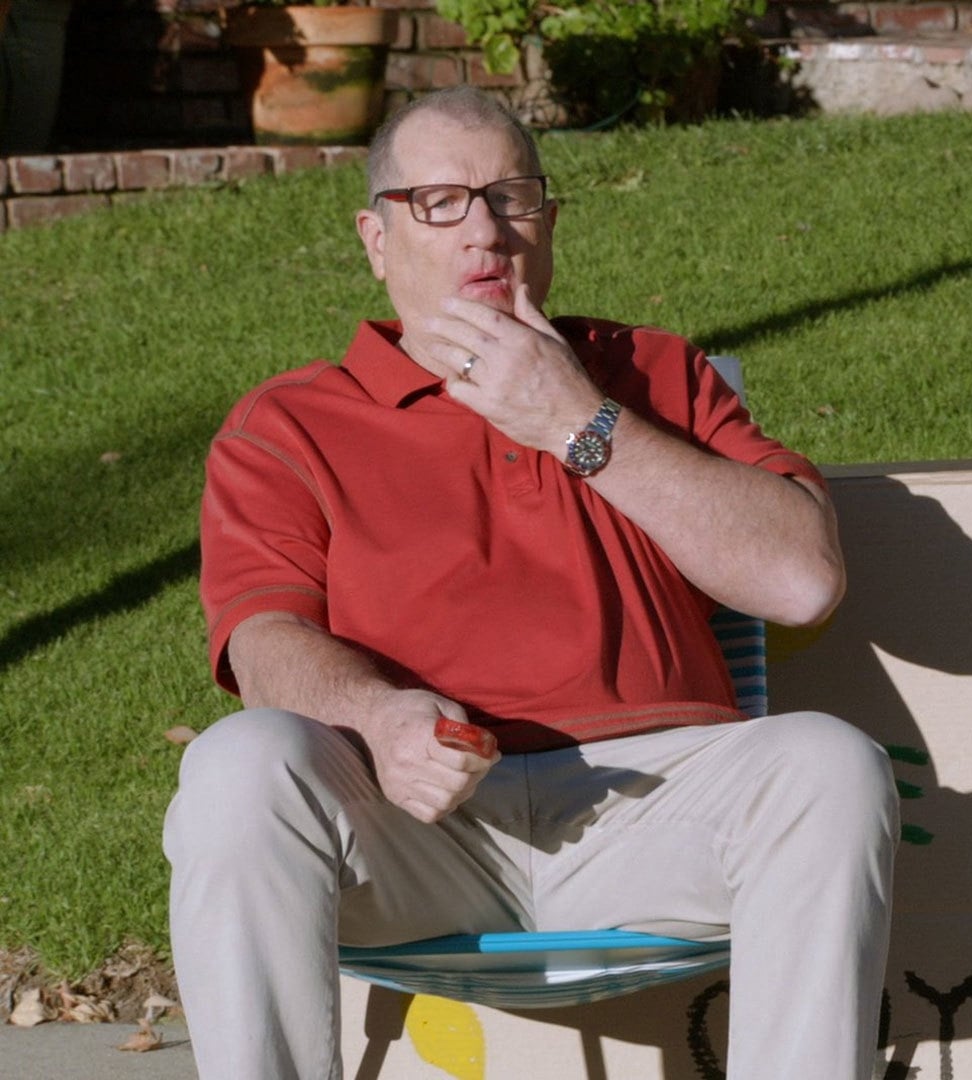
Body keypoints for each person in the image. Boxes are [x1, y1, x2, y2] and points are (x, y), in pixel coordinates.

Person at [163, 85, 899, 1080]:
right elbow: (262, 646)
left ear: (548, 223)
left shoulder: (652, 374)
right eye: (440, 202)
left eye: (511, 198)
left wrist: (577, 421)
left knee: (829, 764)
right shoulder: (289, 425)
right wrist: (378, 720)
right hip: (413, 826)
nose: (485, 230)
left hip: (650, 811)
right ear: (376, 238)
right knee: (236, 765)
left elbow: (802, 581)